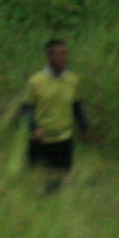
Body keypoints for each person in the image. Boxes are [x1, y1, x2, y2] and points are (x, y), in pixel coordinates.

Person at [14, 39, 89, 188]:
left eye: (65, 54)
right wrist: (34, 127)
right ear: (49, 57)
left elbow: (76, 106)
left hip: (63, 139)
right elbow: (26, 109)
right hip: (41, 141)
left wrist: (84, 127)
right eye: (60, 54)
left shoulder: (73, 80)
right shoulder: (36, 81)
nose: (64, 58)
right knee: (36, 182)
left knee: (59, 182)